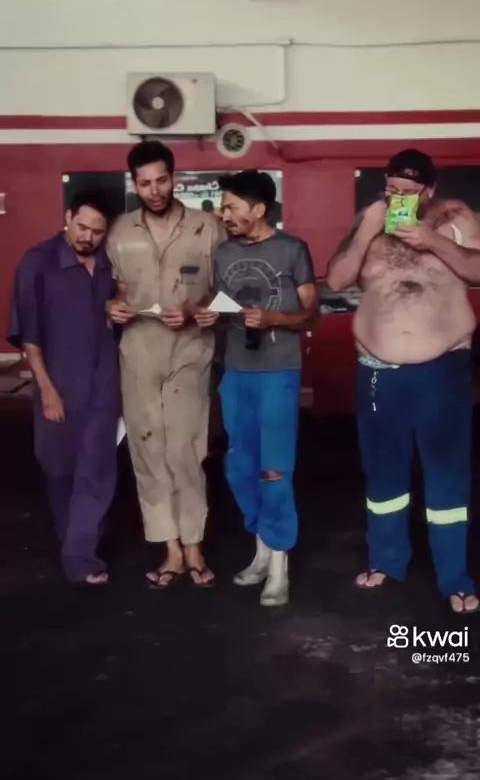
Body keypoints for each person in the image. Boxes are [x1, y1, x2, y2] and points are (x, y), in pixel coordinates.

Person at [326, 148, 480, 614]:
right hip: (378, 373)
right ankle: (386, 561)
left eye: (410, 192)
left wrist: (432, 240)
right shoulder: (369, 219)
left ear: (430, 189)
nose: (399, 199)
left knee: (447, 475)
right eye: (392, 189)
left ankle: (454, 577)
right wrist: (368, 230)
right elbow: (337, 279)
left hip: (442, 369)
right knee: (383, 470)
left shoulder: (454, 218)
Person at [195, 170, 318, 606]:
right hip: (236, 371)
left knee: (274, 468)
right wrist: (208, 314)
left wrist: (273, 319)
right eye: (222, 207)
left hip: (278, 372)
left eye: (231, 207)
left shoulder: (292, 249)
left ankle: (279, 565)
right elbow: (220, 302)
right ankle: (262, 551)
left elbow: (311, 314)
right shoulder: (224, 253)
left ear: (259, 209)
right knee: (240, 467)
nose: (223, 214)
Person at [106, 140, 225, 589]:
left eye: (161, 180)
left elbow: (225, 291)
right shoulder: (120, 231)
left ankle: (194, 545)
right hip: (138, 351)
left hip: (190, 349)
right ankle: (170, 548)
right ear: (134, 184)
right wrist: (113, 307)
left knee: (186, 450)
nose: (154, 191)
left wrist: (195, 311)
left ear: (174, 178)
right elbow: (117, 290)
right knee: (148, 451)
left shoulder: (207, 228)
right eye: (145, 183)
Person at [8, 192, 120, 585]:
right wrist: (47, 390)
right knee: (59, 468)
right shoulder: (38, 262)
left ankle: (80, 556)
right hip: (58, 381)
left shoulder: (110, 264)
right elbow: (29, 337)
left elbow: (122, 310)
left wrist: (119, 306)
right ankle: (75, 540)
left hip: (105, 379)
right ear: (68, 217)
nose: (87, 237)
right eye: (82, 227)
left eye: (97, 232)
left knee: (97, 468)